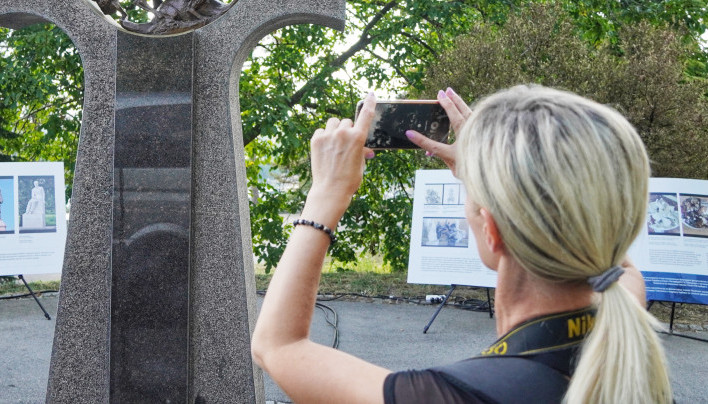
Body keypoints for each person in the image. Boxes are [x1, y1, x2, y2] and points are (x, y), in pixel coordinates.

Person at [252, 86, 672, 404]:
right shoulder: (624, 316)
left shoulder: (453, 395)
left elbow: (277, 346)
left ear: (491, 230)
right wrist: (493, 176)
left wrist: (326, 192)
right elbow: (611, 244)